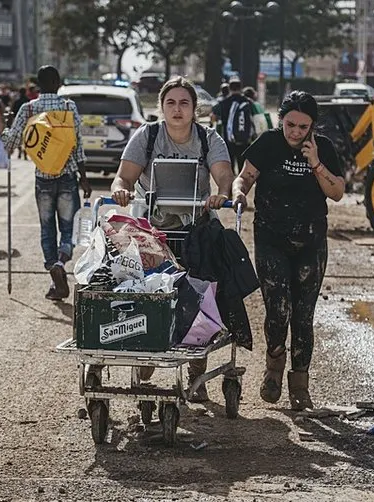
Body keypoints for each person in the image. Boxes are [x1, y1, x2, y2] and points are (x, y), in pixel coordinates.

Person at [111, 75, 234, 401]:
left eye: (184, 103)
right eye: (171, 103)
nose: (177, 109)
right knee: (149, 295)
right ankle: (147, 363)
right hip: (152, 231)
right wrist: (121, 189)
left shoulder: (209, 140)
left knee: (199, 297)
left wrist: (222, 193)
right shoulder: (147, 136)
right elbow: (123, 176)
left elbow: (223, 175)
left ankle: (197, 373)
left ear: (194, 109)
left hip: (196, 229)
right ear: (161, 107)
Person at [231, 91, 346, 411]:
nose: (295, 132)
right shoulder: (268, 143)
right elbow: (244, 178)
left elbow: (337, 193)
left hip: (311, 242)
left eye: (303, 126)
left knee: (304, 316)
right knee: (278, 309)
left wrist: (316, 163)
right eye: (290, 124)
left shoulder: (323, 148)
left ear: (312, 126)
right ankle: (273, 368)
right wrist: (239, 194)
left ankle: (300, 386)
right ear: (281, 120)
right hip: (271, 239)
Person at [1, 65, 91, 301]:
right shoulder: (69, 107)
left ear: (38, 84)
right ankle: (61, 262)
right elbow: (77, 145)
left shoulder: (29, 108)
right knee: (68, 228)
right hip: (69, 176)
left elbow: (10, 145)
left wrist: (7, 127)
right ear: (58, 82)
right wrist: (84, 177)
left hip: (43, 178)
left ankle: (54, 270)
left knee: (47, 228)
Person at [214, 76, 254, 174]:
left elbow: (218, 118)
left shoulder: (224, 102)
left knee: (230, 167)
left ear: (230, 88)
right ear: (240, 88)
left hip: (229, 139)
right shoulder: (247, 102)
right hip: (245, 139)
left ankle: (231, 186)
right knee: (243, 167)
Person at [11, 86, 29, 159]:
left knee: (18, 136)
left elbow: (13, 111)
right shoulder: (27, 100)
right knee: (26, 137)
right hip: (27, 120)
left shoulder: (16, 101)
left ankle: (19, 152)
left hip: (17, 119)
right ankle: (25, 153)